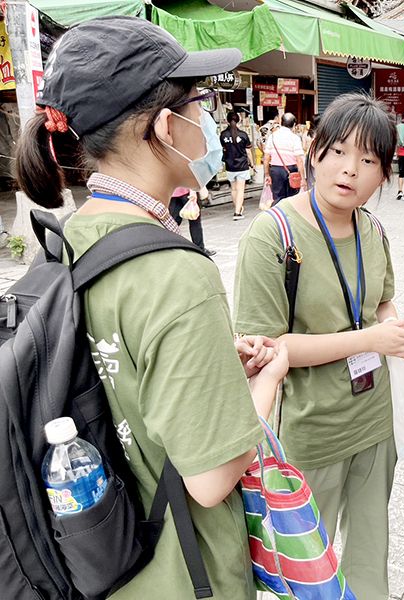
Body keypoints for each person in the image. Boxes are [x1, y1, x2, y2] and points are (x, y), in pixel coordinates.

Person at [15, 17, 288, 599]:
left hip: (102, 571)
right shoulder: (176, 273)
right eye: (200, 104)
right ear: (166, 127)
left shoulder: (68, 238)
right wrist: (268, 383)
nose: (208, 121)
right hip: (182, 576)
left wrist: (212, 369)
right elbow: (211, 479)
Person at [234, 93, 404, 600]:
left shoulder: (373, 228)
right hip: (309, 431)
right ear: (314, 151)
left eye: (368, 160)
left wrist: (400, 333)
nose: (350, 170)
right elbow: (266, 350)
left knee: (370, 556)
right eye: (338, 151)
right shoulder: (273, 233)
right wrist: (372, 339)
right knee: (305, 570)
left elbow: (382, 303)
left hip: (373, 422)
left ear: (385, 173)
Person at [264, 111, 306, 204]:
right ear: (294, 124)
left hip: (275, 171)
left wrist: (267, 174)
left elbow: (266, 157)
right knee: (292, 198)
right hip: (292, 170)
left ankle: (277, 216)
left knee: (277, 198)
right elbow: (299, 160)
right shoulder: (295, 138)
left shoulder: (272, 136)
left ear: (280, 122)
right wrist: (303, 178)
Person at [220, 110, 253, 220]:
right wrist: (252, 163)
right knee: (240, 190)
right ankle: (237, 212)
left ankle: (237, 208)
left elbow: (223, 148)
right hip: (242, 165)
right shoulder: (243, 135)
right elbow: (248, 151)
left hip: (230, 166)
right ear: (239, 120)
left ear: (227, 121)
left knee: (233, 189)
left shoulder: (223, 135)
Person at [168, 187, 215, 256]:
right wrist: (193, 191)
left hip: (173, 192)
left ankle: (172, 249)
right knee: (194, 221)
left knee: (173, 223)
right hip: (186, 191)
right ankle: (200, 248)